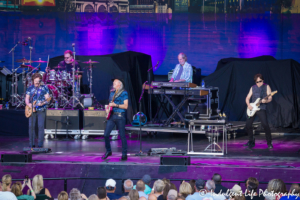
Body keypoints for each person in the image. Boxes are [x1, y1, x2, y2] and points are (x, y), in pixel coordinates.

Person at [244, 74, 273, 149]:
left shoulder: (266, 86)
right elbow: (247, 97)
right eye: (257, 82)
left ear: (263, 80)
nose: (259, 83)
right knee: (248, 125)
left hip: (261, 107)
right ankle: (251, 140)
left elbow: (270, 98)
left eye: (260, 81)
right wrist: (248, 105)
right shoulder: (253, 88)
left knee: (265, 125)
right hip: (253, 107)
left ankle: (269, 142)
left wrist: (265, 101)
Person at [102, 78, 128, 161]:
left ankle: (124, 154)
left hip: (120, 116)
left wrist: (115, 105)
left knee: (122, 136)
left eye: (115, 82)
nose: (113, 83)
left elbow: (125, 106)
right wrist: (107, 109)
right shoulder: (112, 93)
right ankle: (108, 151)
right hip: (112, 116)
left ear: (119, 84)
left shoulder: (124, 93)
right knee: (106, 134)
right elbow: (110, 104)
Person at [25, 73, 50, 148]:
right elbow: (27, 98)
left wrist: (42, 103)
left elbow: (48, 99)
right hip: (31, 109)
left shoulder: (44, 88)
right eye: (35, 81)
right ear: (33, 80)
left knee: (40, 126)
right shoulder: (30, 88)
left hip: (41, 109)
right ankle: (31, 144)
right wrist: (28, 104)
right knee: (31, 126)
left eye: (38, 81)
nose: (37, 82)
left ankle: (40, 144)